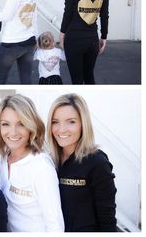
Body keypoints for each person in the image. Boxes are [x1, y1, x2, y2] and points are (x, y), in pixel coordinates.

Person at [0, 94, 64, 232]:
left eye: (21, 124)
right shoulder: (1, 159)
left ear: (31, 127)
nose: (13, 132)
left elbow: (55, 225)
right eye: (5, 124)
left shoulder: (41, 167)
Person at [47, 94, 117, 232]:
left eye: (71, 121)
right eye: (55, 122)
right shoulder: (49, 162)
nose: (61, 129)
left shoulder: (97, 163)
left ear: (83, 124)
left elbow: (107, 222)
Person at [59, 0, 109, 84]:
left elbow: (68, 13)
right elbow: (104, 15)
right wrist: (103, 37)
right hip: (92, 40)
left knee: (77, 80)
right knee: (89, 77)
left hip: (74, 39)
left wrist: (62, 34)